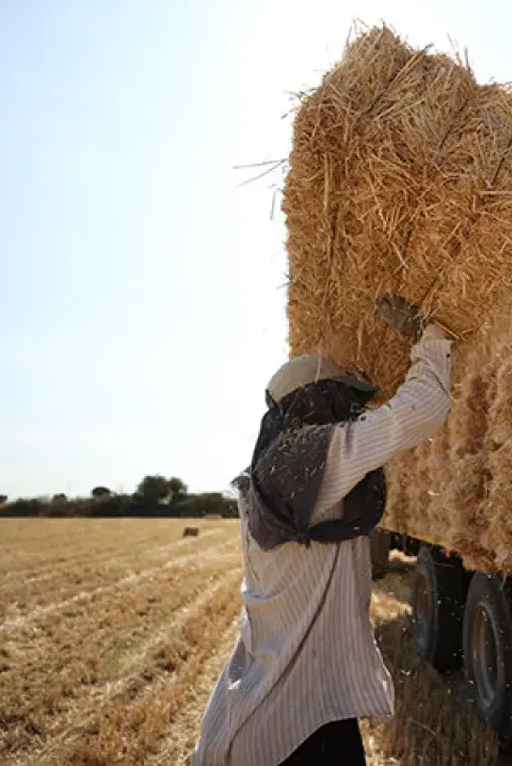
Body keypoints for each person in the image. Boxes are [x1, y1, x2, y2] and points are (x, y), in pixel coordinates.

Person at [191, 295, 452, 766]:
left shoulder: (276, 476)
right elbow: (424, 408)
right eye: (342, 401)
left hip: (281, 715)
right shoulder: (308, 464)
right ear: (312, 404)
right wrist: (429, 336)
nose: (350, 415)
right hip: (297, 732)